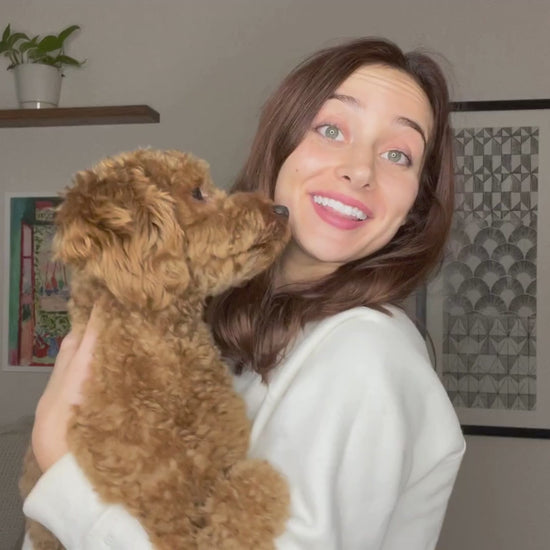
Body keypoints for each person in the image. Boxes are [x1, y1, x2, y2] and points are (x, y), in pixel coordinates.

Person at [23, 37, 465, 550]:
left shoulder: (366, 352)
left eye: (398, 155)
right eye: (331, 129)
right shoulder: (208, 325)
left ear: (414, 205)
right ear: (281, 145)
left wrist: (62, 467)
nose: (361, 169)